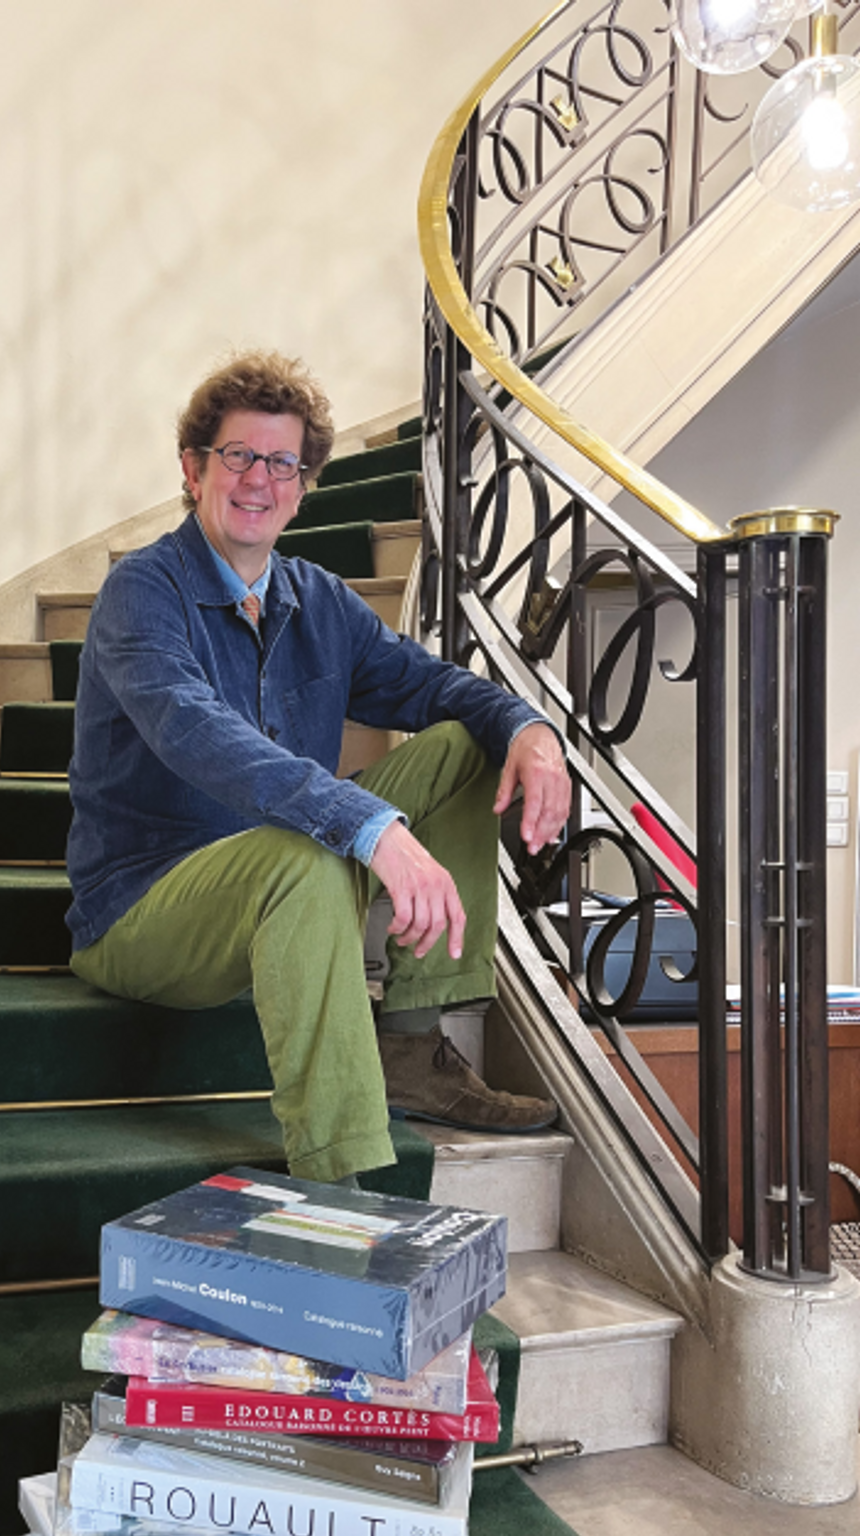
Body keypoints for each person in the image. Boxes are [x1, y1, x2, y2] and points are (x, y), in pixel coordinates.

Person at [66, 351, 571, 1185]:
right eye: (238, 456)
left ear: (304, 487)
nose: (258, 479)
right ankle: (340, 1184)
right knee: (306, 852)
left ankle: (410, 1045)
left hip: (280, 871)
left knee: (464, 742)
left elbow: (433, 685)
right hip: (145, 906)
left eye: (282, 463)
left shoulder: (319, 598)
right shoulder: (141, 592)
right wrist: (371, 827)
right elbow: (196, 730)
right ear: (193, 470)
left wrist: (528, 729)